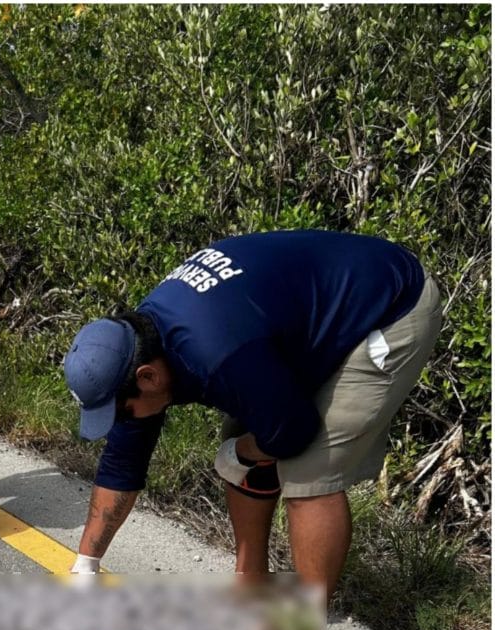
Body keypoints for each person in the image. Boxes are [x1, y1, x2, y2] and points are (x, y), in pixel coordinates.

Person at [63, 230, 441, 608]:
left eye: (121, 412)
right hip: (304, 312)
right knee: (246, 438)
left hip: (388, 305)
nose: (121, 421)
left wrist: (242, 451)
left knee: (308, 472)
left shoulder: (216, 354)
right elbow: (122, 463)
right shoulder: (137, 346)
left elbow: (293, 432)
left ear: (148, 377)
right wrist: (86, 565)